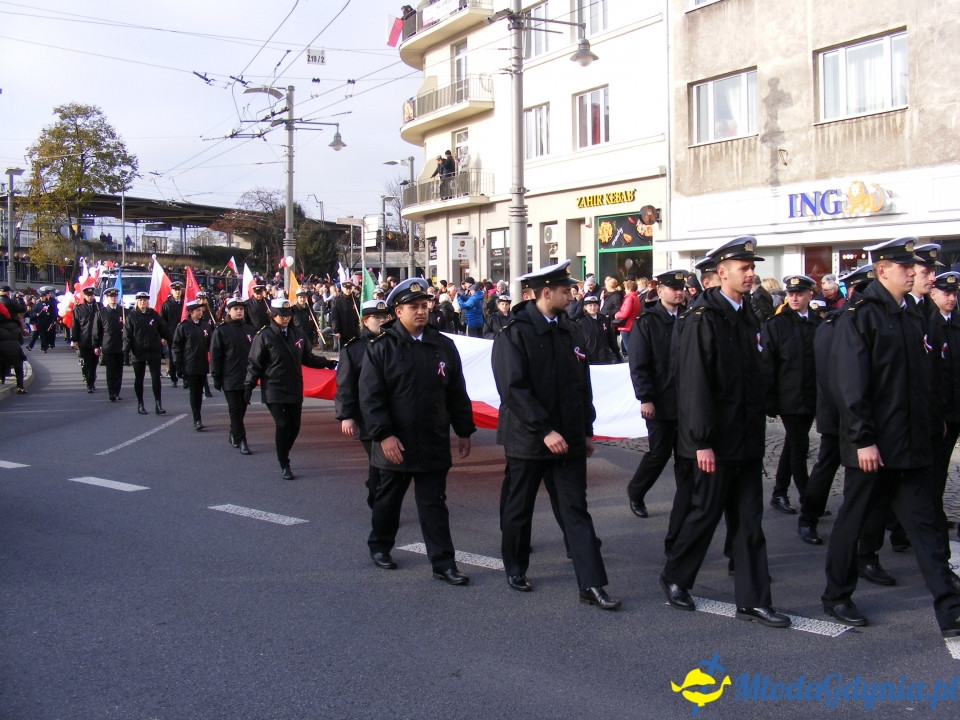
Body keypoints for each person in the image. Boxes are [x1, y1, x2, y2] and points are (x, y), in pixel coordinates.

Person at [822, 237, 960, 636]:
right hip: (874, 447)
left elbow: (921, 381)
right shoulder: (860, 316)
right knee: (853, 522)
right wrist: (862, 439)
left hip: (910, 444)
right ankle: (836, 595)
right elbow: (850, 386)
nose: (914, 273)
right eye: (906, 267)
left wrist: (931, 425)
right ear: (882, 271)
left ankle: (950, 609)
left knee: (926, 526)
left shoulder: (911, 315)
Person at [660, 236, 790, 629]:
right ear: (722, 273)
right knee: (704, 515)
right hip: (714, 442)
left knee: (749, 522)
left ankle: (753, 600)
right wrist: (701, 441)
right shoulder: (703, 318)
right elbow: (694, 384)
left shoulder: (748, 313)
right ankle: (676, 576)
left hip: (745, 438)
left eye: (752, 268)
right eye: (743, 269)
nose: (750, 274)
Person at [492, 260, 619, 609]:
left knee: (576, 509)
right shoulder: (514, 333)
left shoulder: (570, 330)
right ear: (545, 293)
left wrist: (587, 430)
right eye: (566, 291)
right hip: (528, 439)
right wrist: (544, 430)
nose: (572, 296)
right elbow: (513, 390)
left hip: (569, 439)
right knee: (519, 507)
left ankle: (591, 584)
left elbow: (581, 385)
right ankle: (515, 567)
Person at [359, 279, 476, 583]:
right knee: (388, 500)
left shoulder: (443, 346)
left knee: (434, 504)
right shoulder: (381, 348)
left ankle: (443, 564)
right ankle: (380, 546)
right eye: (413, 306)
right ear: (398, 312)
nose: (421, 311)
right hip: (395, 442)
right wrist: (384, 435)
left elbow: (456, 392)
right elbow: (371, 398)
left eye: (424, 305)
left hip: (432, 440)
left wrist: (464, 430)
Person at [797, 265, 874, 546]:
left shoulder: (854, 321)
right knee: (828, 465)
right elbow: (831, 374)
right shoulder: (835, 323)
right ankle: (809, 517)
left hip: (857, 411)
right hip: (837, 411)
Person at [626, 270, 694, 555]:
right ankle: (636, 491)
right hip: (660, 400)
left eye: (681, 288)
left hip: (687, 402)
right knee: (659, 453)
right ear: (660, 291)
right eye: (673, 288)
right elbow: (639, 363)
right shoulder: (648, 322)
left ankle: (686, 504)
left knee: (686, 457)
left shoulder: (690, 317)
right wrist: (646, 398)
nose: (679, 292)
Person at [245, 298, 337, 480]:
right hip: (274, 387)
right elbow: (255, 364)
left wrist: (328, 363)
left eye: (288, 315)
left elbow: (307, 358)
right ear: (272, 315)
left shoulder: (298, 333)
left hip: (294, 385)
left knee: (294, 427)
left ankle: (283, 450)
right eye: (281, 315)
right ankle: (284, 462)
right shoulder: (264, 336)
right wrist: (248, 386)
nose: (285, 318)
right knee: (282, 424)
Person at [762, 275, 821, 515]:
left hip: (811, 395)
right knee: (799, 446)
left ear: (810, 295)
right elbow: (768, 364)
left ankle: (779, 492)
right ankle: (809, 499)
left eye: (799, 294)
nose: (794, 298)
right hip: (789, 396)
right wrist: (770, 400)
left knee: (792, 444)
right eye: (790, 294)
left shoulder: (818, 322)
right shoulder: (777, 324)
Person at [335, 299, 392, 507]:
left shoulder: (394, 343)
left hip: (392, 412)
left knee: (387, 462)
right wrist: (346, 415)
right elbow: (345, 385)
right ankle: (378, 500)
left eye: (385, 317)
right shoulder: (353, 349)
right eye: (377, 317)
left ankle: (377, 490)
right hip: (366, 415)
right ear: (366, 321)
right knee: (380, 460)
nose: (382, 321)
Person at [210, 298, 253, 454]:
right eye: (236, 309)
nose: (239, 311)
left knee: (241, 409)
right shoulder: (221, 330)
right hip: (230, 377)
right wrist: (216, 376)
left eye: (241, 309)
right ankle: (242, 440)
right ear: (229, 311)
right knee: (235, 410)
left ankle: (234, 433)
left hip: (247, 377)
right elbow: (215, 356)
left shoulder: (250, 329)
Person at [124, 291, 172, 415]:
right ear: (137, 302)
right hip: (138, 351)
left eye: (145, 300)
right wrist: (126, 352)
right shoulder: (131, 316)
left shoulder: (154, 315)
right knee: (139, 378)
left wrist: (174, 341)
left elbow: (164, 329)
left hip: (153, 350)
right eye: (140, 300)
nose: (142, 302)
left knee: (156, 378)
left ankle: (158, 404)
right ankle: (140, 404)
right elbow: (127, 336)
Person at [172, 300, 212, 431]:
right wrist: (178, 365)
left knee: (199, 392)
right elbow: (176, 347)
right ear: (190, 312)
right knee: (194, 392)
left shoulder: (205, 325)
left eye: (201, 310)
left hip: (202, 364)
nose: (200, 312)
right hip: (189, 364)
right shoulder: (183, 326)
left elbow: (211, 344)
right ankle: (197, 418)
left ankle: (198, 415)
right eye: (197, 310)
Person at [93, 288, 125, 402]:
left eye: (115, 296)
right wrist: (96, 345)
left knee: (119, 371)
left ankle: (117, 392)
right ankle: (111, 392)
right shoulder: (101, 313)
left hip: (121, 345)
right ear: (107, 298)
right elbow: (97, 331)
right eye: (111, 297)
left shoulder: (123, 311)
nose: (113, 298)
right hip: (108, 345)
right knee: (111, 371)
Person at [575, 295, 620, 364]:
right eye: (590, 305)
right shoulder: (581, 322)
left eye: (595, 305)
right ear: (585, 307)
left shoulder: (603, 319)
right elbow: (579, 342)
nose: (593, 308)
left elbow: (611, 338)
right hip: (590, 358)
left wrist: (617, 354)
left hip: (605, 356)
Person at [71, 286, 100, 393]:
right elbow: (75, 326)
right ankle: (89, 382)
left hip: (96, 340)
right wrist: (74, 340)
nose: (90, 297)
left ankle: (91, 381)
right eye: (88, 295)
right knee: (87, 362)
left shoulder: (99, 307)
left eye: (91, 295)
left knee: (94, 362)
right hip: (84, 340)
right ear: (84, 296)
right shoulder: (78, 309)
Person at [0, 285, 26, 393]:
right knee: (19, 367)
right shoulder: (15, 326)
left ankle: (1, 378)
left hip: (2, 349)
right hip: (15, 349)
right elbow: (22, 309)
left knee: (2, 361)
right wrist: (20, 299)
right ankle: (20, 387)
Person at [161, 282, 184, 387]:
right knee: (173, 356)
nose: (177, 292)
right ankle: (173, 378)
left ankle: (184, 377)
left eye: (179, 290)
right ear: (172, 291)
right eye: (175, 290)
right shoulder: (167, 304)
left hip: (184, 334)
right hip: (172, 335)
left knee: (185, 356)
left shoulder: (184, 303)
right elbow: (163, 322)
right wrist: (163, 336)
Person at [613, 278, 640, 356]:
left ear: (630, 289)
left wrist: (617, 314)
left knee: (628, 348)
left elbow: (626, 313)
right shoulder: (636, 297)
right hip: (632, 324)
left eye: (626, 288)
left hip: (626, 326)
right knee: (632, 347)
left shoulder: (629, 298)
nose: (625, 290)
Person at [329, 280, 361, 346]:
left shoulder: (355, 300)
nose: (348, 291)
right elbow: (334, 317)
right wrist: (336, 330)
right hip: (343, 330)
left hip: (354, 330)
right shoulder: (337, 301)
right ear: (342, 289)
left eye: (349, 289)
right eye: (346, 289)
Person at [28, 287, 56, 353]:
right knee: (42, 335)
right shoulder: (38, 304)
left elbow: (52, 313)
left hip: (47, 321)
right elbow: (33, 312)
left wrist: (52, 321)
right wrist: (36, 314)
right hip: (40, 322)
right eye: (40, 297)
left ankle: (45, 346)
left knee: (46, 335)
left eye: (43, 297)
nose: (41, 298)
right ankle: (43, 347)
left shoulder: (49, 304)